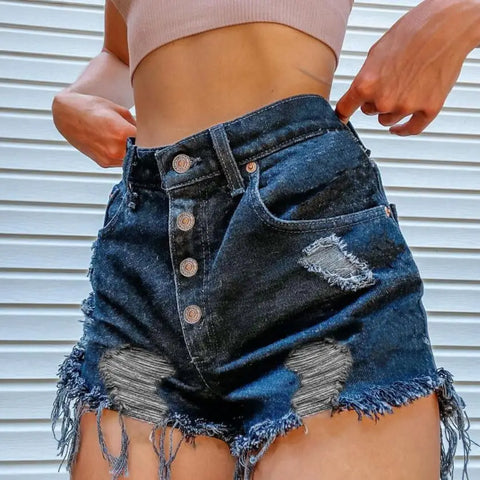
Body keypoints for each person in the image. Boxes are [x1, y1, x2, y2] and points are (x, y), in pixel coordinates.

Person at [50, 0, 480, 479]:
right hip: (145, 256)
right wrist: (74, 99)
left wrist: (453, 17)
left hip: (306, 239)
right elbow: (117, 54)